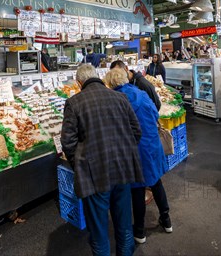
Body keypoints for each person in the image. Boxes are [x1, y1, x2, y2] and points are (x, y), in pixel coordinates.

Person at [61, 64, 143, 256]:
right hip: (122, 171)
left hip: (94, 175)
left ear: (79, 83)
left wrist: (79, 165)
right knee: (124, 227)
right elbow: (136, 131)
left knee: (99, 233)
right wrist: (124, 152)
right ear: (98, 77)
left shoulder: (74, 103)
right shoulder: (120, 97)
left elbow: (68, 142)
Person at [104, 69, 171, 244]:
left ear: (111, 84)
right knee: (156, 182)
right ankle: (166, 220)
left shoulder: (116, 99)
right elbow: (156, 114)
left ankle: (140, 231)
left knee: (138, 189)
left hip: (135, 148)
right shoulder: (141, 93)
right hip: (152, 143)